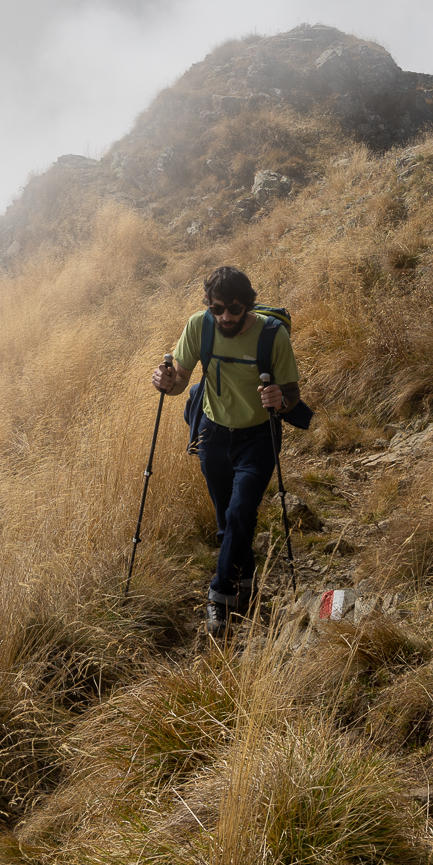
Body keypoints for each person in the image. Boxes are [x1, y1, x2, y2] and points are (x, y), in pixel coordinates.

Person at [150, 266, 301, 636]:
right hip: (213, 435)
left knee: (239, 510)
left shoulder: (272, 336)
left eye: (233, 309)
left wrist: (280, 399)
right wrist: (165, 382)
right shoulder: (199, 326)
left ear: (247, 305)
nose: (225, 317)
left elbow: (293, 396)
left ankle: (220, 596)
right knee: (226, 519)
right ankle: (245, 578)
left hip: (258, 437)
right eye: (217, 309)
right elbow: (179, 380)